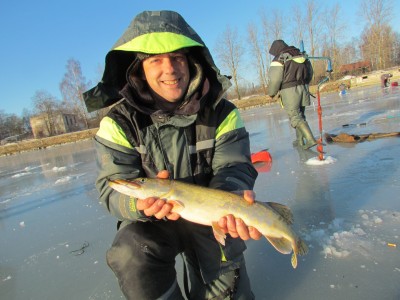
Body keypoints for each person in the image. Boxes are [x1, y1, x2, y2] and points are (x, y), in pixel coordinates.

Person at [83, 10, 261, 300]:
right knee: (130, 251)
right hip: (153, 224)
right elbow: (111, 187)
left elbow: (233, 166)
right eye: (155, 60)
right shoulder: (117, 123)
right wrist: (138, 205)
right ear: (140, 68)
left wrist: (232, 197)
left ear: (191, 61)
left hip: (211, 217)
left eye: (177, 57)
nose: (169, 69)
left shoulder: (224, 112)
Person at [267, 39, 317, 149]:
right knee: (300, 115)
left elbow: (275, 79)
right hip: (303, 88)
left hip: (289, 91)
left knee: (295, 117)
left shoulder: (279, 58)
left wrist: (272, 93)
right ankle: (300, 140)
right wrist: (305, 83)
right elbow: (310, 72)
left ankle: (310, 140)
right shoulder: (299, 54)